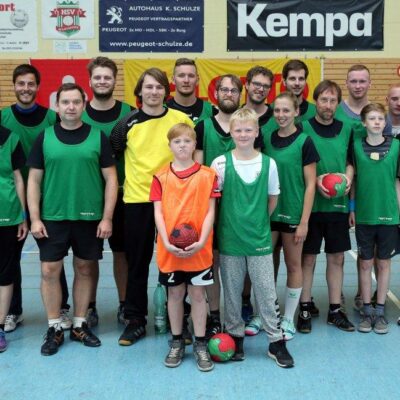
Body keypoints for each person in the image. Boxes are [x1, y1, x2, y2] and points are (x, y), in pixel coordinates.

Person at [27, 83, 118, 356]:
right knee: (49, 271)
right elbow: (34, 180)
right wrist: (34, 218)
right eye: (65, 102)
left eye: (76, 102)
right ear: (57, 106)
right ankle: (54, 326)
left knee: (85, 268)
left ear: (83, 105)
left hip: (89, 218)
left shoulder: (98, 137)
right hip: (52, 217)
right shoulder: (44, 137)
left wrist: (107, 218)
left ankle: (79, 324)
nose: (70, 107)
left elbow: (111, 179)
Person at [110, 68, 193, 346]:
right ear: (139, 91)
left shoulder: (180, 119)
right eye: (148, 87)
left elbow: (190, 155)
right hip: (138, 201)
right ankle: (135, 320)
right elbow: (114, 155)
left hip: (175, 202)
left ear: (166, 92)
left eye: (159, 87)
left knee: (178, 261)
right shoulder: (125, 124)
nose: (154, 92)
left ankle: (178, 318)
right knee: (137, 262)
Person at [211, 108, 294, 368]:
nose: (244, 134)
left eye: (249, 129)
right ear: (231, 132)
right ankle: (235, 337)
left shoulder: (269, 164)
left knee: (266, 292)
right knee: (232, 292)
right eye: (238, 130)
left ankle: (275, 341)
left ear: (257, 132)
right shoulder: (220, 163)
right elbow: (214, 202)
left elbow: (272, 199)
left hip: (259, 239)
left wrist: (257, 221)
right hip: (230, 239)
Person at [0, 64, 70, 333]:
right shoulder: (3, 118)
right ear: (14, 86)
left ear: (38, 87)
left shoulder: (51, 118)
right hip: (14, 200)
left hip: (47, 197)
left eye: (31, 84)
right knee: (10, 259)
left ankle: (61, 307)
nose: (26, 88)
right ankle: (13, 311)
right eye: (21, 83)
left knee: (53, 257)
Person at [194, 74, 263, 339]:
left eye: (234, 90)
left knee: (242, 262)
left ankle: (243, 304)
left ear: (240, 94)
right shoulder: (203, 127)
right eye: (224, 89)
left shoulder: (248, 126)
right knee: (212, 262)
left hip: (242, 209)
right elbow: (198, 171)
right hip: (211, 208)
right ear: (216, 93)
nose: (229, 94)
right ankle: (214, 315)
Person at [150, 123, 218, 372]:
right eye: (177, 141)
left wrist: (201, 241)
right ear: (169, 146)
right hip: (170, 249)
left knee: (198, 295)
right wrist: (166, 241)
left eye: (187, 141)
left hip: (200, 249)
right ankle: (177, 341)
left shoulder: (208, 175)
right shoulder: (159, 177)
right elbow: (158, 212)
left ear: (194, 145)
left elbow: (210, 211)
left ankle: (200, 343)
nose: (182, 146)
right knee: (175, 295)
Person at [261, 92, 318, 339]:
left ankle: (288, 318)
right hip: (268, 213)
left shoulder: (305, 141)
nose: (281, 115)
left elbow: (311, 185)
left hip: (293, 213)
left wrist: (304, 222)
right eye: (277, 110)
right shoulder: (265, 138)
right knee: (266, 265)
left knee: (294, 265)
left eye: (286, 110)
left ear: (296, 112)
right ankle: (268, 313)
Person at [82, 56, 134, 327]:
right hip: (88, 198)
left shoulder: (130, 114)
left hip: (124, 196)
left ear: (115, 80)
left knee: (122, 253)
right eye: (98, 77)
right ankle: (89, 306)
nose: (102, 81)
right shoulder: (77, 114)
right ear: (90, 81)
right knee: (87, 257)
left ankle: (124, 305)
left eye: (107, 77)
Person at [300, 80, 355, 333]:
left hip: (337, 207)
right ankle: (304, 307)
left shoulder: (347, 129)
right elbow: (299, 164)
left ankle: (335, 310)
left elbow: (350, 162)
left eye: (333, 101)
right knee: (308, 258)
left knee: (337, 258)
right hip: (311, 206)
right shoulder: (303, 128)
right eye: (324, 100)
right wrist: (316, 180)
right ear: (316, 102)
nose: (328, 105)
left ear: (337, 104)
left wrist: (347, 179)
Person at [350, 103, 400, 334]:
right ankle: (367, 309)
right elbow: (354, 181)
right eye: (372, 118)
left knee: (384, 263)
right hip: (364, 216)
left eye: (381, 118)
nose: (377, 122)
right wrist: (352, 208)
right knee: (365, 263)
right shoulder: (356, 147)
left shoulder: (397, 146)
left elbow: (397, 181)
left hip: (388, 215)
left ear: (385, 121)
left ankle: (380, 311)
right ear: (364, 123)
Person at [335, 64, 373, 311]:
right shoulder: (337, 112)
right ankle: (336, 293)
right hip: (341, 189)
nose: (358, 86)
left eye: (362, 81)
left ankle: (363, 293)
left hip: (370, 190)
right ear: (347, 83)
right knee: (336, 251)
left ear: (369, 83)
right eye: (353, 81)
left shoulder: (377, 115)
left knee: (368, 248)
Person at [241, 66, 275, 328]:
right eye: (256, 84)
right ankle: (244, 302)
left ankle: (267, 307)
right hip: (240, 202)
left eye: (265, 85)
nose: (260, 89)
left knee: (266, 258)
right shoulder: (238, 117)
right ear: (247, 85)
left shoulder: (279, 116)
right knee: (239, 259)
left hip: (269, 199)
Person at [0, 126, 28, 352]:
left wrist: (22, 216)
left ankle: (0, 326)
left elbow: (19, 179)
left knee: (5, 274)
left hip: (7, 215)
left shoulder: (10, 138)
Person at [166, 58, 217, 124]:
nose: (186, 80)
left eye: (191, 76)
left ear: (197, 80)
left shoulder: (212, 111)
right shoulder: (162, 110)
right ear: (173, 80)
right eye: (181, 76)